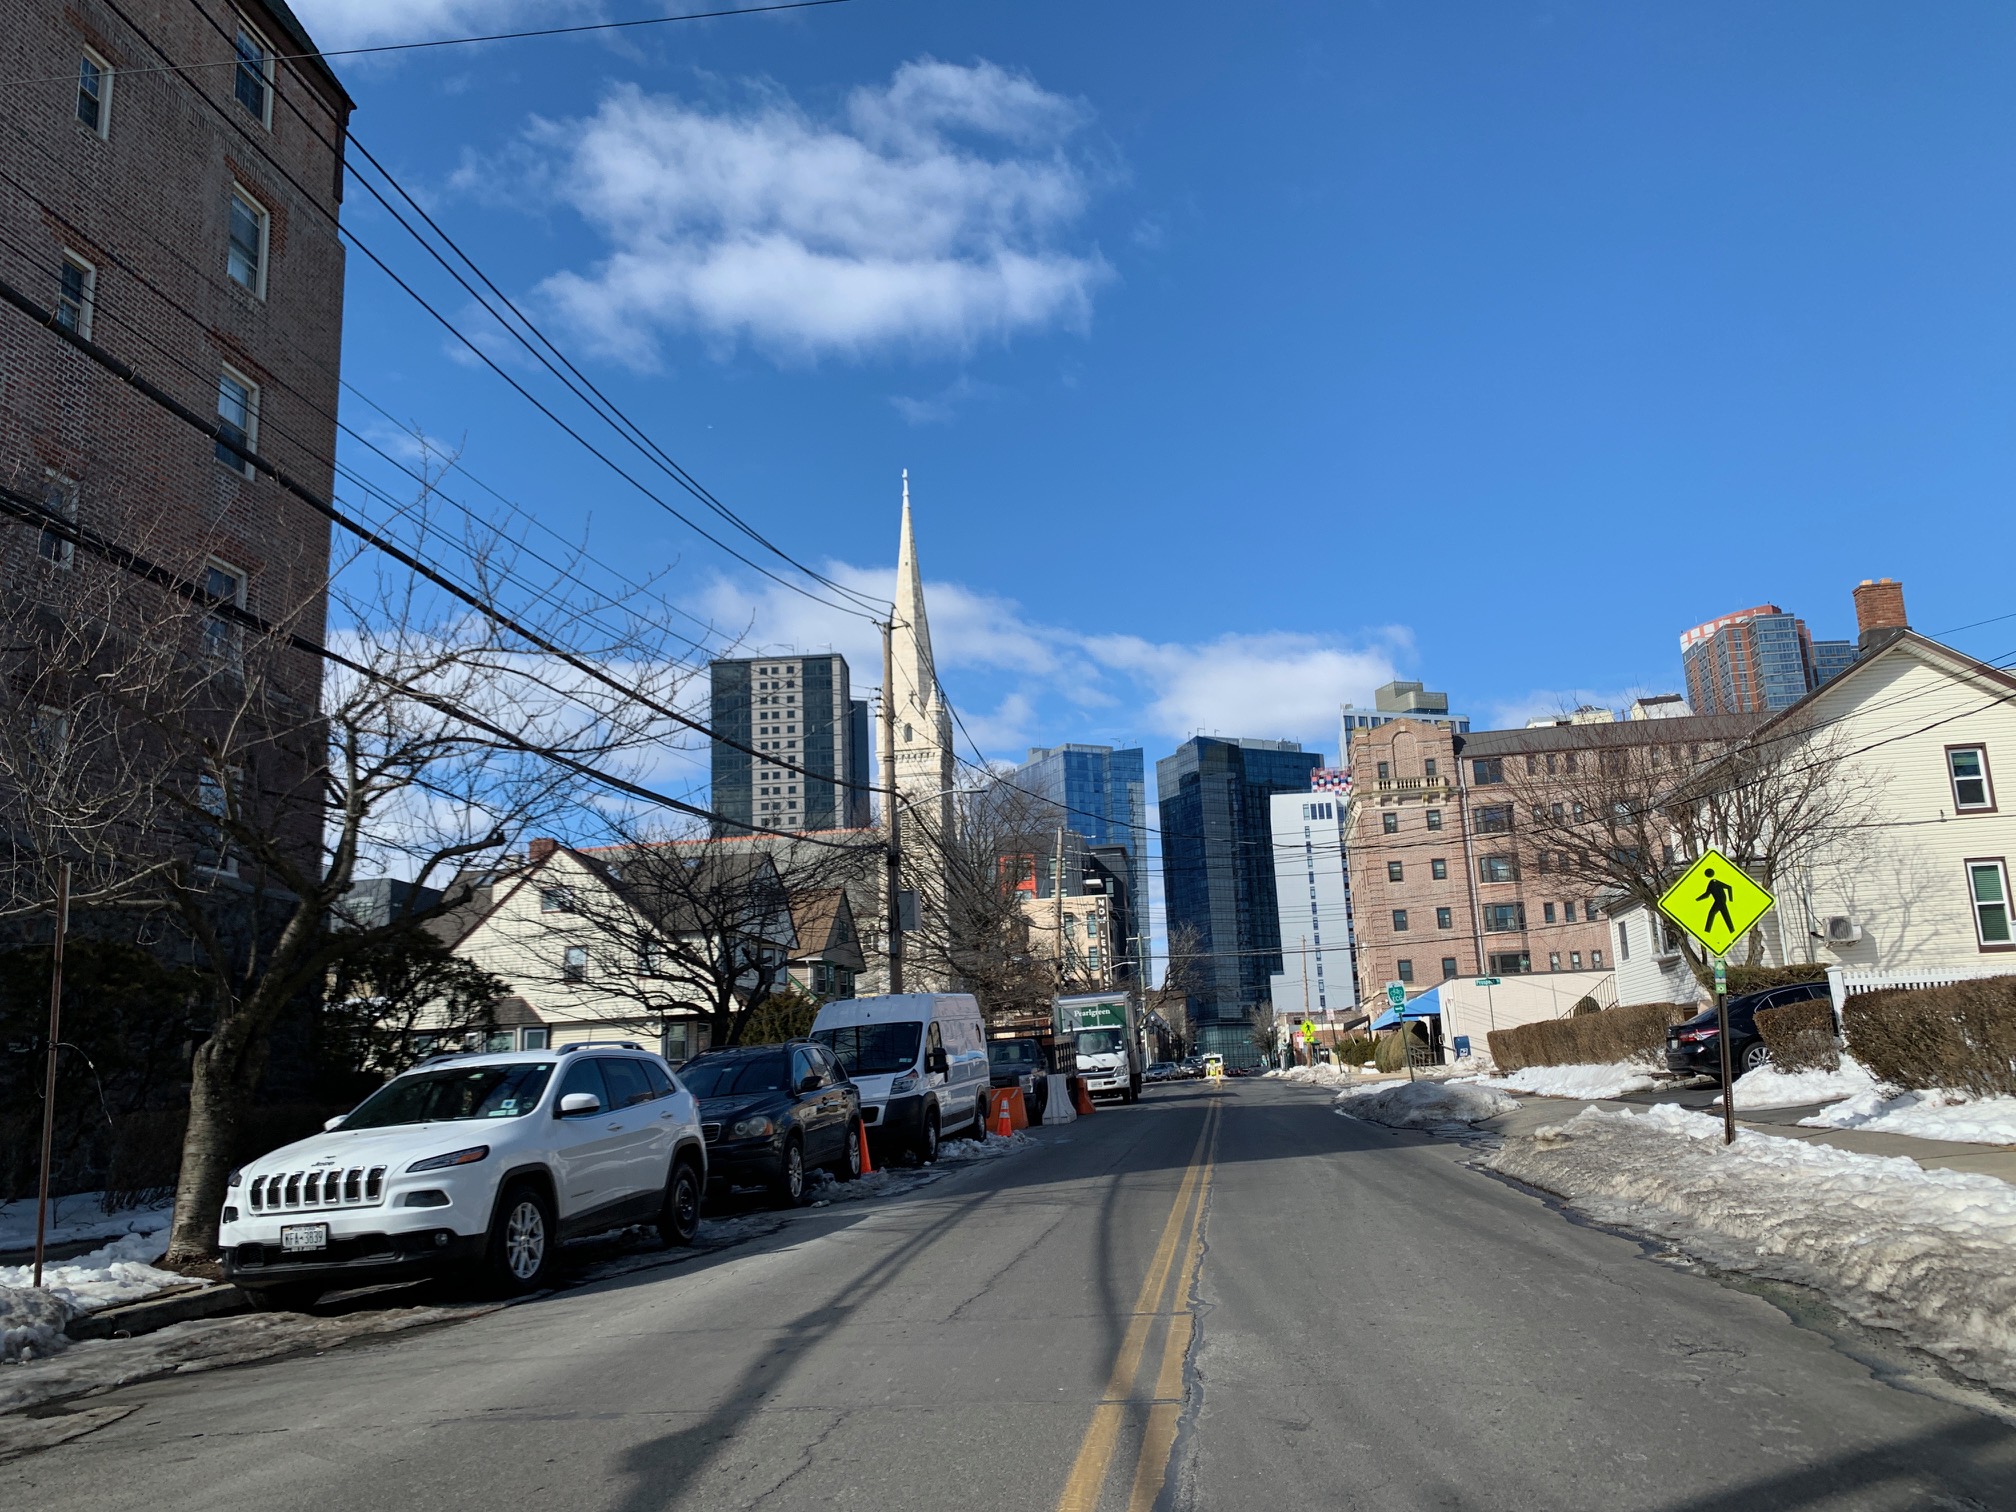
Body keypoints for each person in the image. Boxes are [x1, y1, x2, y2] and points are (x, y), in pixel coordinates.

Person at [1697, 867, 1736, 936]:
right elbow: (1706, 895)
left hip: (1720, 901)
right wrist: (1697, 899)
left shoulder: (1716, 882)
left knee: (1715, 914)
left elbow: (1729, 887)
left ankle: (1707, 931)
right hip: (1719, 901)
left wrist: (1731, 899)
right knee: (1724, 916)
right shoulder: (1711, 883)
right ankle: (1731, 930)